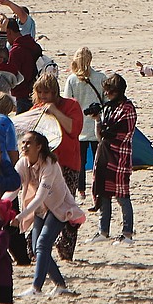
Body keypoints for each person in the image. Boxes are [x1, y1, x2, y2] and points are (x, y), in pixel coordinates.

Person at [15, 130, 85, 297]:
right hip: (40, 209)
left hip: (59, 207)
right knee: (36, 247)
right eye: (23, 142)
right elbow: (14, 187)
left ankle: (36, 288)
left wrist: (21, 216)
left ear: (39, 147)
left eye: (28, 143)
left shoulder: (50, 164)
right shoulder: (23, 162)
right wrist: (0, 203)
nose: (24, 146)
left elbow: (41, 196)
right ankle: (60, 285)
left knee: (43, 244)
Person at [28, 72, 83, 264]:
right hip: (44, 167)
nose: (43, 96)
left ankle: (65, 250)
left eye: (46, 92)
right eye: (40, 92)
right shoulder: (37, 108)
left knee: (66, 207)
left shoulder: (71, 105)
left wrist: (55, 112)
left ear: (55, 92)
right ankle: (36, 248)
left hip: (68, 165)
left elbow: (74, 129)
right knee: (41, 206)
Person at [92, 73, 136, 242]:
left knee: (122, 196)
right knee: (103, 193)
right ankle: (103, 231)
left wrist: (104, 129)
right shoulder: (109, 108)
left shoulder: (127, 109)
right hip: (105, 155)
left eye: (110, 92)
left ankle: (127, 233)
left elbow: (120, 133)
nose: (107, 95)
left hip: (120, 157)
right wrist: (97, 119)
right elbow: (101, 136)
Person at [63, 49, 106, 203]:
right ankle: (97, 190)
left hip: (78, 127)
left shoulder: (72, 80)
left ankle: (80, 190)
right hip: (96, 126)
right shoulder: (100, 78)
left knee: (79, 162)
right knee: (97, 161)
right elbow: (106, 102)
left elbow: (67, 102)